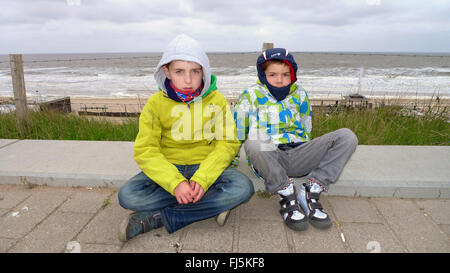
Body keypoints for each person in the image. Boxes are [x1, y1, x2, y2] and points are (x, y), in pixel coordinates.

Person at [118, 34, 254, 242]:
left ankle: (159, 218)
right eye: (179, 71)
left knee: (243, 188)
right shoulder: (155, 104)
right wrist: (175, 183)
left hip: (205, 166)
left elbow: (227, 143)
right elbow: (146, 150)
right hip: (170, 166)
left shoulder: (216, 100)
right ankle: (209, 205)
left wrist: (203, 178)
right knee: (127, 196)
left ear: (204, 72)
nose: (188, 80)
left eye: (195, 72)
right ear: (167, 71)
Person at [233, 48, 358, 231]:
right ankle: (286, 194)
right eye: (272, 74)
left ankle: (310, 191)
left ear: (293, 74)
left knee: (347, 136)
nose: (279, 79)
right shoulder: (251, 95)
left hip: (298, 153)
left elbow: (306, 126)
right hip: (270, 158)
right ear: (262, 74)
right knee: (255, 138)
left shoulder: (300, 93)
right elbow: (239, 129)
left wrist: (309, 151)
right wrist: (231, 160)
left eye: (285, 74)